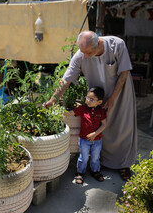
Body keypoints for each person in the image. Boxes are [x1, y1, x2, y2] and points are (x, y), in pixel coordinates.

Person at [45, 30, 137, 181]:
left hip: (120, 94)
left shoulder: (117, 45)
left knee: (122, 127)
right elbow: (66, 79)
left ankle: (123, 164)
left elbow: (124, 74)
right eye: (83, 53)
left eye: (88, 53)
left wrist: (113, 97)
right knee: (101, 129)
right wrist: (53, 99)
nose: (85, 56)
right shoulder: (82, 54)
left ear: (99, 43)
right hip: (97, 99)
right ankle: (106, 162)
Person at [65, 87, 107, 184]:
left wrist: (95, 133)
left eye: (91, 99)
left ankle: (95, 171)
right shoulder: (82, 109)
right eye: (87, 97)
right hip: (84, 139)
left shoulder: (101, 111)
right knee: (83, 157)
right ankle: (80, 173)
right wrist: (58, 110)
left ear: (99, 102)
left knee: (95, 157)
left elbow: (105, 124)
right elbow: (71, 113)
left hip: (97, 140)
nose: (88, 100)